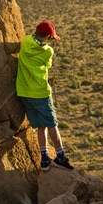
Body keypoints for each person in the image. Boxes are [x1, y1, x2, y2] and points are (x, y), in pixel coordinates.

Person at [16, 21, 74, 171]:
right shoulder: (48, 51)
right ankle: (60, 156)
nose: (52, 41)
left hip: (24, 92)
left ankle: (44, 159)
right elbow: (47, 65)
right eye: (52, 38)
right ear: (48, 37)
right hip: (40, 92)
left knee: (41, 126)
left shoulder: (26, 41)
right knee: (52, 125)